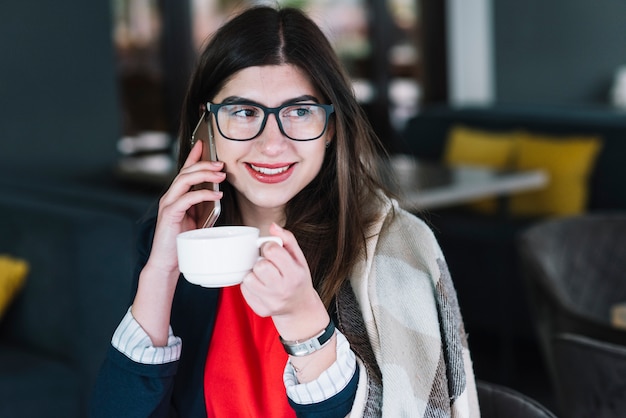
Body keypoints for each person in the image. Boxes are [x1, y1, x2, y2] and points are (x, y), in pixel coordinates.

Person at [91, 5, 479, 417]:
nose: (272, 144)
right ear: (206, 125)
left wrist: (305, 324)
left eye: (299, 111)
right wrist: (161, 273)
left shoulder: (392, 249)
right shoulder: (175, 246)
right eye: (244, 112)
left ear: (330, 128)